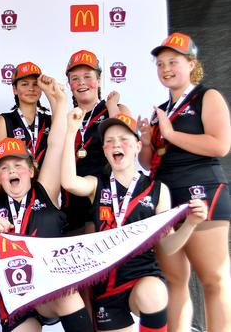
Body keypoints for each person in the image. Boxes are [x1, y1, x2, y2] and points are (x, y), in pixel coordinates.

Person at [62, 111, 208, 332]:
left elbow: (167, 245)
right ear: (105, 151)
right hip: (106, 285)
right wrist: (71, 130)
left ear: (138, 146)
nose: (116, 145)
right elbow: (69, 182)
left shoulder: (158, 190)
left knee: (154, 294)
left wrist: (191, 223)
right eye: (109, 141)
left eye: (123, 139)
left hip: (142, 276)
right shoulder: (96, 184)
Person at [0, 76, 94, 332]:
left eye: (18, 165)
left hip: (48, 287)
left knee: (69, 293)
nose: (12, 171)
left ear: (31, 169)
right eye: (4, 168)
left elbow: (56, 144)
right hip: (15, 295)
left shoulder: (45, 189)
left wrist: (58, 102)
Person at [138, 32, 231, 332]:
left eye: (173, 62)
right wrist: (146, 142)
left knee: (213, 278)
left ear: (191, 64)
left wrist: (172, 133)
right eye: (161, 63)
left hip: (204, 191)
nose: (166, 68)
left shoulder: (208, 96)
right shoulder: (161, 112)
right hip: (166, 196)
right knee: (174, 281)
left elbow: (220, 145)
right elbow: (149, 163)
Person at [62, 49, 130, 235]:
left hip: (107, 197)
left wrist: (111, 107)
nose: (81, 83)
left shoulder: (116, 109)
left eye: (87, 76)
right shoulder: (66, 117)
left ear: (98, 80)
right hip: (72, 199)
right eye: (75, 78)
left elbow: (125, 145)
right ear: (69, 85)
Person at [0, 62, 52, 168]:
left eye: (35, 84)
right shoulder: (4, 120)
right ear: (15, 89)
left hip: (48, 182)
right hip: (17, 182)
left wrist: (50, 91)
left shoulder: (50, 120)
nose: (31, 88)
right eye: (24, 84)